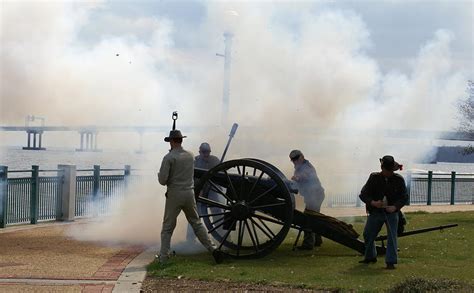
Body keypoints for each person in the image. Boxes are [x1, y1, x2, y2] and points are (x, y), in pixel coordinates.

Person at [157, 130, 224, 264]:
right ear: (181, 140)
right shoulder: (190, 156)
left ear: (171, 141)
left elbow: (163, 180)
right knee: (197, 223)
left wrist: (161, 172)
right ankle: (213, 249)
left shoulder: (169, 158)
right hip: (189, 193)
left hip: (175, 193)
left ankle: (163, 257)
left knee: (167, 227)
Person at [358, 155, 408, 270]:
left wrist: (395, 207)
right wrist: (373, 202)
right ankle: (370, 257)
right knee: (368, 234)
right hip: (376, 211)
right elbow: (363, 194)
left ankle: (390, 261)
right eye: (385, 170)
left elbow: (404, 197)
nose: (386, 172)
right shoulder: (374, 177)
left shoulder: (399, 179)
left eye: (388, 170)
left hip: (392, 212)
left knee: (392, 237)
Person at [290, 149, 325, 250]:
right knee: (315, 218)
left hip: (315, 194)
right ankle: (318, 240)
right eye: (293, 160)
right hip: (312, 195)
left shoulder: (307, 166)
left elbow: (307, 176)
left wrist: (297, 178)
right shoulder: (298, 167)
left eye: (296, 159)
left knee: (308, 219)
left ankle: (308, 244)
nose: (294, 161)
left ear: (301, 157)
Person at [186, 142, 221, 242]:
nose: (206, 154)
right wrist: (198, 189)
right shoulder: (195, 161)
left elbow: (221, 175)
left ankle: (222, 237)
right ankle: (190, 240)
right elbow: (190, 178)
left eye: (208, 152)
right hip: (199, 192)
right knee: (195, 217)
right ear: (200, 152)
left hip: (212, 191)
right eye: (204, 152)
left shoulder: (215, 160)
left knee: (218, 215)